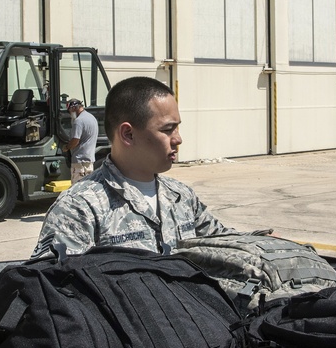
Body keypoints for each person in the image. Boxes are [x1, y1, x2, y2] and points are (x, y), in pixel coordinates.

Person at [31, 76, 234, 259]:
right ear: (128, 134)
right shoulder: (79, 208)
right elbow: (51, 288)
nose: (178, 139)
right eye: (167, 129)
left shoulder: (181, 197)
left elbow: (227, 242)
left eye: (177, 127)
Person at [61, 98, 98, 183]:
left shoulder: (78, 121)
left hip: (79, 164)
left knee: (76, 190)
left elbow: (75, 140)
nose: (70, 114)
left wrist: (66, 147)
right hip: (89, 163)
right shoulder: (92, 118)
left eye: (69, 111)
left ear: (73, 108)